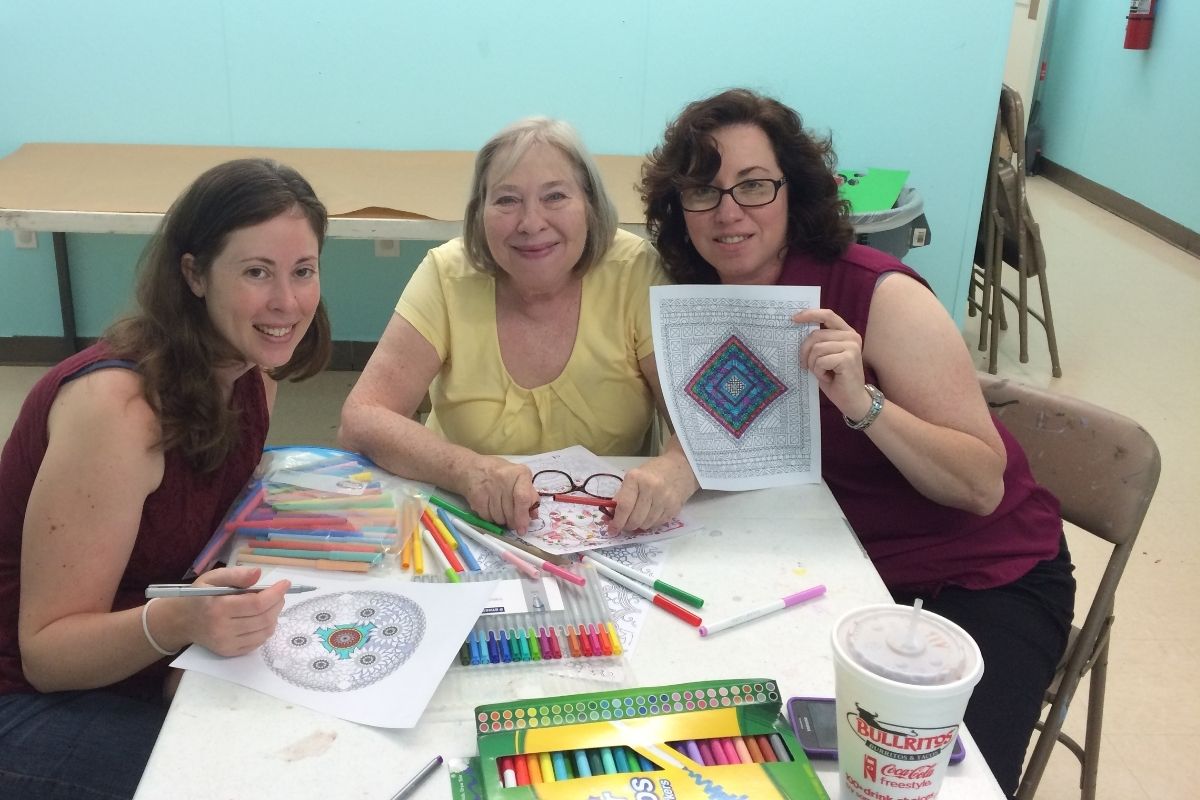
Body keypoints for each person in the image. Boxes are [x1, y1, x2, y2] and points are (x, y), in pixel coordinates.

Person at [641, 88, 1075, 797]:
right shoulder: (697, 298)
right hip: (841, 565)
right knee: (741, 752)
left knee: (928, 783)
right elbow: (722, 451)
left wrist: (863, 404)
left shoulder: (879, 294)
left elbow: (981, 485)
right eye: (702, 190)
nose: (728, 211)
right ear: (677, 207)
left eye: (753, 185)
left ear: (794, 190)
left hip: (979, 575)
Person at [0, 158, 331, 799]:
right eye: (256, 272)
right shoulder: (119, 411)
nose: (286, 303)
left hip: (140, 662)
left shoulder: (251, 374)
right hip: (27, 696)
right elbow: (47, 655)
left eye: (303, 271)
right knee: (271, 779)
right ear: (194, 274)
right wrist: (180, 624)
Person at [339, 118, 697, 534]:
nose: (530, 222)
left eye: (555, 196)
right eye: (507, 200)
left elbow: (698, 425)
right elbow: (362, 418)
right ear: (480, 214)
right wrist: (468, 471)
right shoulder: (447, 273)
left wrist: (675, 469)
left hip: (609, 531)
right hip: (466, 524)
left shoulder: (635, 271)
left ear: (591, 206)